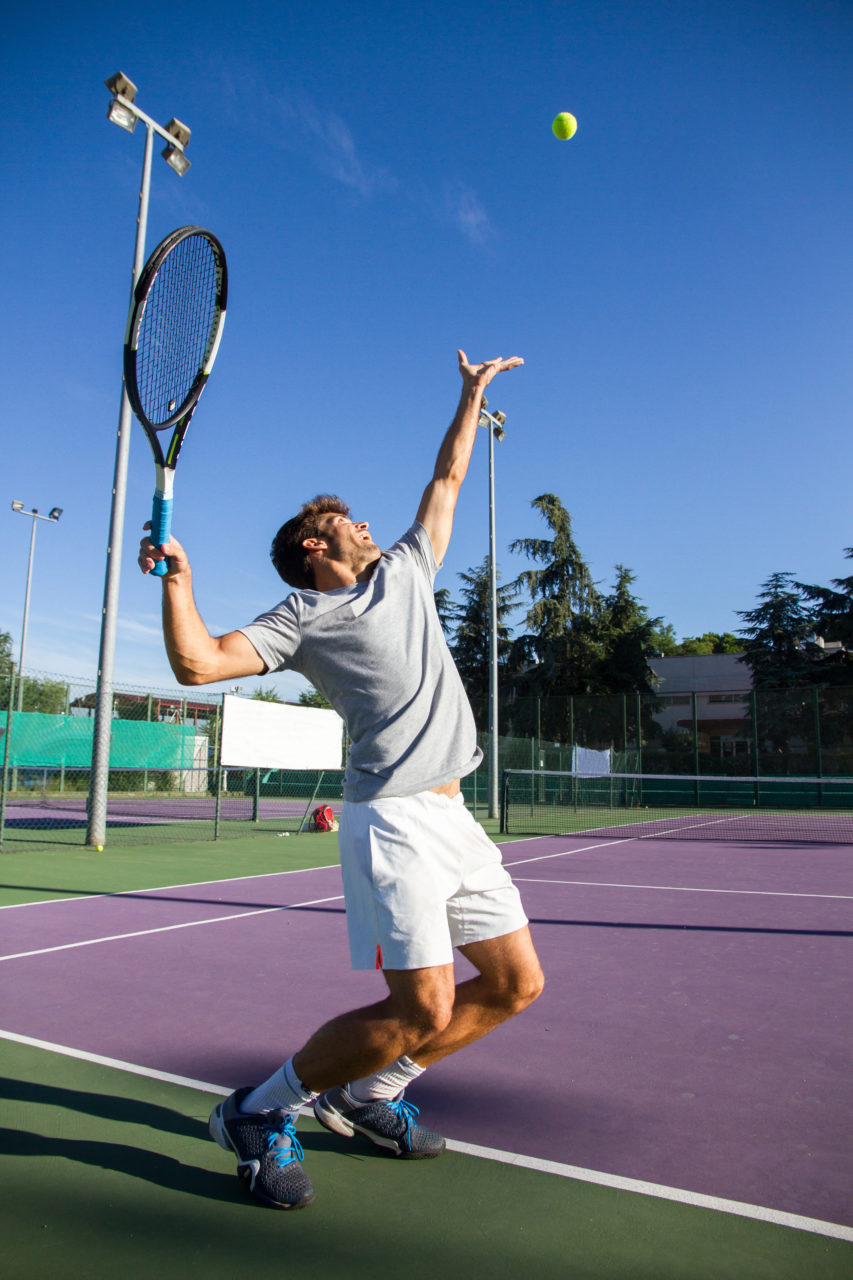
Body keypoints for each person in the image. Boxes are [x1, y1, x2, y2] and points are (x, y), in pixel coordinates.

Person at [138, 349, 544, 1210]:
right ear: (315, 544)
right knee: (423, 1009)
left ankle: (370, 1094)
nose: (367, 524)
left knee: (514, 985)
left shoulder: (406, 568)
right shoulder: (300, 618)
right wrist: (181, 581)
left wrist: (470, 399)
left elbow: (447, 474)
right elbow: (197, 664)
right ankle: (254, 1112)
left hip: (455, 816)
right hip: (391, 822)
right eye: (349, 520)